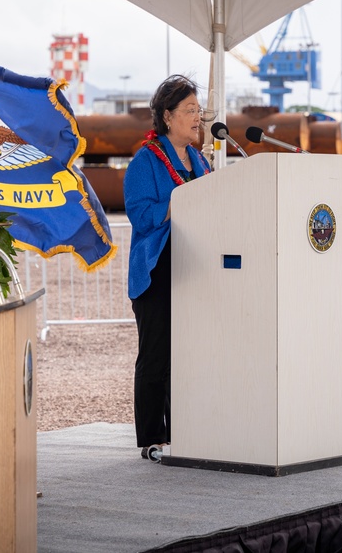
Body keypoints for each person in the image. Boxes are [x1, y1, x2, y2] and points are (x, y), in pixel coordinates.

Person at [123, 75, 210, 460]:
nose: (197, 118)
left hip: (196, 269)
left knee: (190, 355)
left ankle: (186, 433)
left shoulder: (201, 160)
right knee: (156, 356)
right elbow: (141, 217)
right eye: (190, 110)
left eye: (199, 111)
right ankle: (152, 440)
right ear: (168, 116)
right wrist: (179, 201)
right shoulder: (146, 161)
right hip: (158, 271)